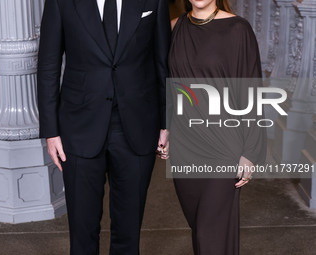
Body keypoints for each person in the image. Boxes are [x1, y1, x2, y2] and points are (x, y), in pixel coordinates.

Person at [37, 0, 170, 254]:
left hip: (138, 125)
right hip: (79, 127)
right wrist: (51, 131)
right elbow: (48, 66)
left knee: (128, 231)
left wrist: (166, 123)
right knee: (82, 231)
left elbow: (162, 63)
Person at [168, 0, 267, 254]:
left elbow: (251, 91)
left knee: (210, 235)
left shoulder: (238, 29)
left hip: (224, 146)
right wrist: (164, 130)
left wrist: (250, 152)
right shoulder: (173, 28)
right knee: (202, 230)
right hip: (184, 147)